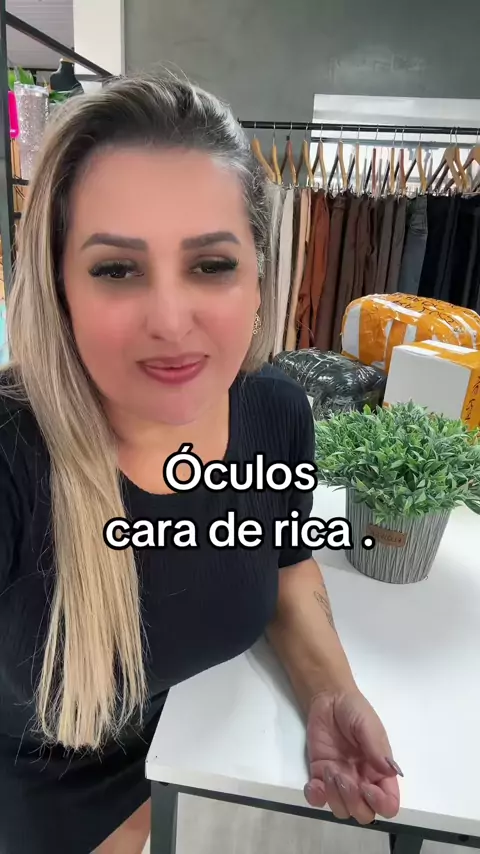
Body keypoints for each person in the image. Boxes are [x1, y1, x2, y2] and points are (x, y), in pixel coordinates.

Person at [0, 74, 401, 854]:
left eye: (211, 264)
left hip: (204, 773)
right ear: (60, 287)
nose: (171, 322)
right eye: (116, 269)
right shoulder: (14, 458)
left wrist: (330, 692)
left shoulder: (277, 416)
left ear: (258, 276)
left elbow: (285, 561)